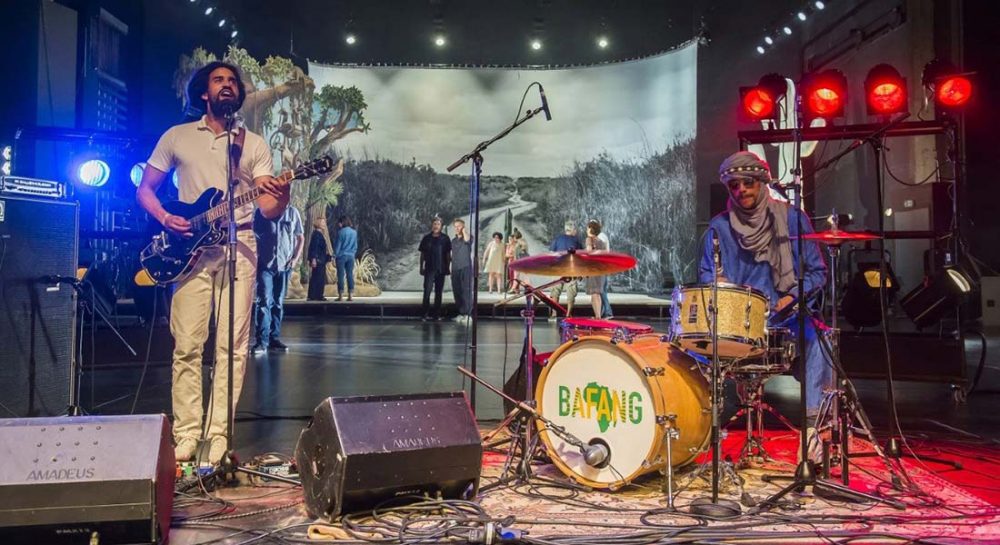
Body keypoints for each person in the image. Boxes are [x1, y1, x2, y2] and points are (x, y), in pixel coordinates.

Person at [136, 61, 290, 464]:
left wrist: (282, 194)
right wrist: (166, 218)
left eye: (232, 81)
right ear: (203, 92)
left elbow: (269, 209)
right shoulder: (178, 136)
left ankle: (218, 434)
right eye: (218, 80)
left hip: (239, 249)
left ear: (238, 93)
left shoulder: (252, 144)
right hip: (189, 253)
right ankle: (186, 434)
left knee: (232, 348)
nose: (226, 85)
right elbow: (146, 190)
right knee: (187, 345)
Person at [698, 150, 830, 462]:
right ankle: (695, 432)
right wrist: (721, 289)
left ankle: (812, 431)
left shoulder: (793, 219)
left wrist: (792, 297)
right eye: (734, 185)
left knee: (819, 342)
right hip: (735, 324)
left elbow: (817, 272)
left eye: (748, 183)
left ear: (761, 182)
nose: (741, 190)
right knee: (685, 349)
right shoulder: (719, 227)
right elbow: (706, 275)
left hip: (783, 319)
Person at [252, 205, 303, 354]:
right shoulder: (261, 212)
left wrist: (294, 259)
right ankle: (261, 341)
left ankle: (274, 338)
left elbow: (300, 238)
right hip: (265, 265)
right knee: (264, 301)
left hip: (284, 266)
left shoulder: (293, 212)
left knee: (278, 303)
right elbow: (253, 235)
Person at [418, 217, 451, 321]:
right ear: (432, 225)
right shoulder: (426, 238)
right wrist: (421, 267)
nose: (436, 226)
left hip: (441, 269)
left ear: (441, 226)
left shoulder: (445, 238)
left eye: (438, 224)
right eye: (434, 224)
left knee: (438, 293)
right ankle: (424, 314)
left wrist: (447, 268)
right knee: (427, 292)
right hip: (429, 269)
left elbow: (448, 255)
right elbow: (422, 254)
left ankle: (436, 315)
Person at [549, 220, 583, 317]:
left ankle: (554, 314)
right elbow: (580, 257)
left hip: (558, 270)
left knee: (555, 292)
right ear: (572, 230)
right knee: (571, 294)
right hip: (571, 270)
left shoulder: (557, 239)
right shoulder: (576, 240)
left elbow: (551, 254)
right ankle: (568, 314)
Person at [450, 218, 474, 323]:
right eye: (455, 226)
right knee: (457, 292)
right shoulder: (453, 241)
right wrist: (450, 266)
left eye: (459, 226)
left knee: (466, 291)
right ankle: (461, 313)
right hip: (455, 268)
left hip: (466, 267)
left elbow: (467, 240)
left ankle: (468, 315)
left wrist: (464, 231)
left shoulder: (468, 238)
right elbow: (452, 255)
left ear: (463, 226)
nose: (457, 228)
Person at [584, 220, 607, 318]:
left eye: (587, 228)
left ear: (590, 229)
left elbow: (589, 252)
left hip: (592, 270)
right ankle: (598, 316)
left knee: (594, 294)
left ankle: (597, 317)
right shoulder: (601, 241)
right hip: (600, 270)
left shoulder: (589, 239)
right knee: (597, 294)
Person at [307, 217, 333, 301]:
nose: (324, 224)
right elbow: (314, 247)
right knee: (318, 277)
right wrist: (314, 259)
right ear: (318, 224)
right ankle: (317, 295)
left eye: (324, 223)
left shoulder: (318, 234)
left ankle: (314, 295)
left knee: (317, 277)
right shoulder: (317, 235)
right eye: (322, 223)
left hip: (320, 259)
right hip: (319, 260)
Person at [333, 215, 358, 301]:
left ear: (342, 222)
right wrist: (353, 253)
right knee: (350, 275)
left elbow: (338, 247)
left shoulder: (341, 232)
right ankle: (350, 296)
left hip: (341, 256)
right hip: (351, 256)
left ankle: (340, 296)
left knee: (340, 275)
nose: (338, 225)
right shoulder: (354, 232)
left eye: (339, 223)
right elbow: (355, 246)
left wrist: (334, 256)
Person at [596, 224, 614, 319]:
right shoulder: (603, 236)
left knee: (601, 291)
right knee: (602, 290)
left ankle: (608, 312)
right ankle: (603, 313)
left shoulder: (600, 238)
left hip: (601, 267)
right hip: (603, 267)